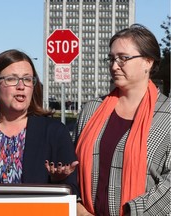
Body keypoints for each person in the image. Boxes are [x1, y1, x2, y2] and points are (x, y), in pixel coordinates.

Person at [0, 49, 80, 196]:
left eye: (27, 79)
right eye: (11, 79)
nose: (21, 86)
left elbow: (72, 193)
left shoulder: (55, 132)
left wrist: (58, 182)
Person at [73, 24, 170, 215]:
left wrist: (131, 212)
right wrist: (78, 206)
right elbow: (71, 165)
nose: (114, 65)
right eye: (111, 58)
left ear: (148, 62)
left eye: (123, 58)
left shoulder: (167, 116)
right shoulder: (91, 109)